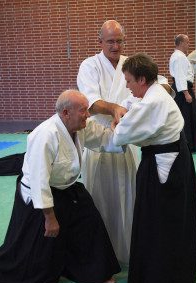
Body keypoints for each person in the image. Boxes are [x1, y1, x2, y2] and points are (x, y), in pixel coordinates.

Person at [0, 90, 122, 283]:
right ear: (66, 113)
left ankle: (92, 271)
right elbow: (40, 181)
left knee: (88, 221)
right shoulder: (46, 135)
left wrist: (128, 130)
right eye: (83, 110)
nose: (88, 115)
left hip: (67, 187)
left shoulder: (81, 126)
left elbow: (105, 139)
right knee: (32, 253)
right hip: (38, 195)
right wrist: (50, 217)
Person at [113, 53, 196, 283]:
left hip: (165, 164)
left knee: (162, 219)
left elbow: (121, 135)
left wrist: (117, 125)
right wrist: (125, 108)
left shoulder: (153, 102)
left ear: (142, 80)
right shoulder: (154, 92)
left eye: (129, 81)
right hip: (171, 158)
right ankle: (164, 273)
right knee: (165, 218)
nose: (127, 86)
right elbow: (133, 104)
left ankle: (164, 278)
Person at [77, 20, 139, 264]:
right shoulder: (89, 66)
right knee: (99, 198)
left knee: (128, 196)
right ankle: (101, 258)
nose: (115, 46)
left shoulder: (130, 64)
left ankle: (128, 251)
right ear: (99, 41)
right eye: (110, 41)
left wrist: (163, 89)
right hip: (98, 139)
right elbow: (91, 102)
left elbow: (154, 80)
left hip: (127, 139)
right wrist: (114, 108)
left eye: (119, 41)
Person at [169, 34, 196, 153]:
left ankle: (190, 144)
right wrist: (186, 93)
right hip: (182, 90)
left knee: (188, 116)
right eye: (187, 42)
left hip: (183, 89)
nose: (188, 45)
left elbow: (188, 73)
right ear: (181, 43)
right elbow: (180, 76)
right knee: (185, 117)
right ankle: (187, 145)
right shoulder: (179, 57)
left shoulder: (181, 56)